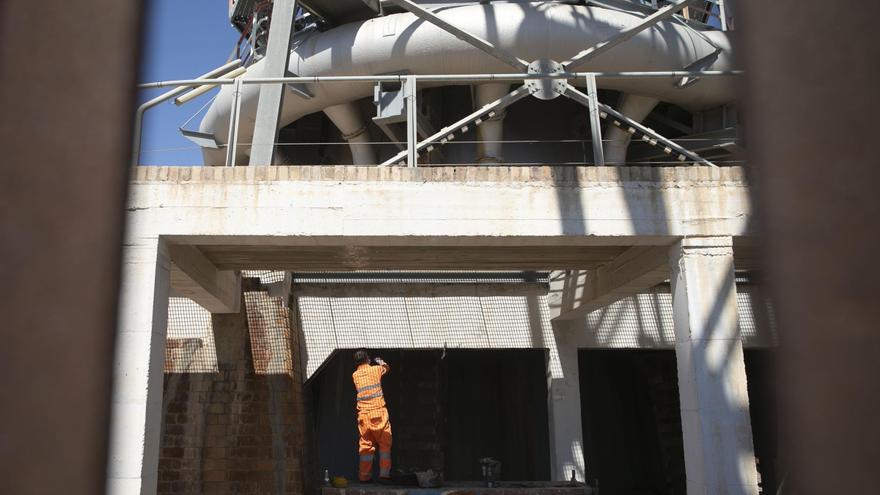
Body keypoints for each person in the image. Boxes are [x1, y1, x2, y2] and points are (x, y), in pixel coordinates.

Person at [352, 349, 392, 483]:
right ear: (367, 359)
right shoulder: (375, 370)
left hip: (363, 417)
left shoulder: (355, 375)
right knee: (385, 444)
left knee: (366, 447)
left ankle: (364, 476)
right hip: (378, 414)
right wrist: (380, 361)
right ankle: (384, 475)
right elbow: (386, 368)